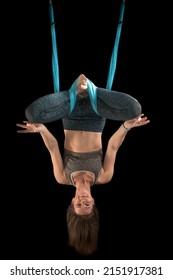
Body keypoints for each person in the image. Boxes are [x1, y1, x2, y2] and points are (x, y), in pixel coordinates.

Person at [16, 74, 150, 255]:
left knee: (32, 115)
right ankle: (91, 92)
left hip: (69, 113)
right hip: (96, 114)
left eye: (79, 205)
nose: (83, 200)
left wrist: (41, 129)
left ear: (72, 203)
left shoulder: (62, 177)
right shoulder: (103, 176)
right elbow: (113, 146)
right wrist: (126, 126)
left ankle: (78, 91)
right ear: (93, 203)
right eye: (87, 205)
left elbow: (53, 146)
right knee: (134, 109)